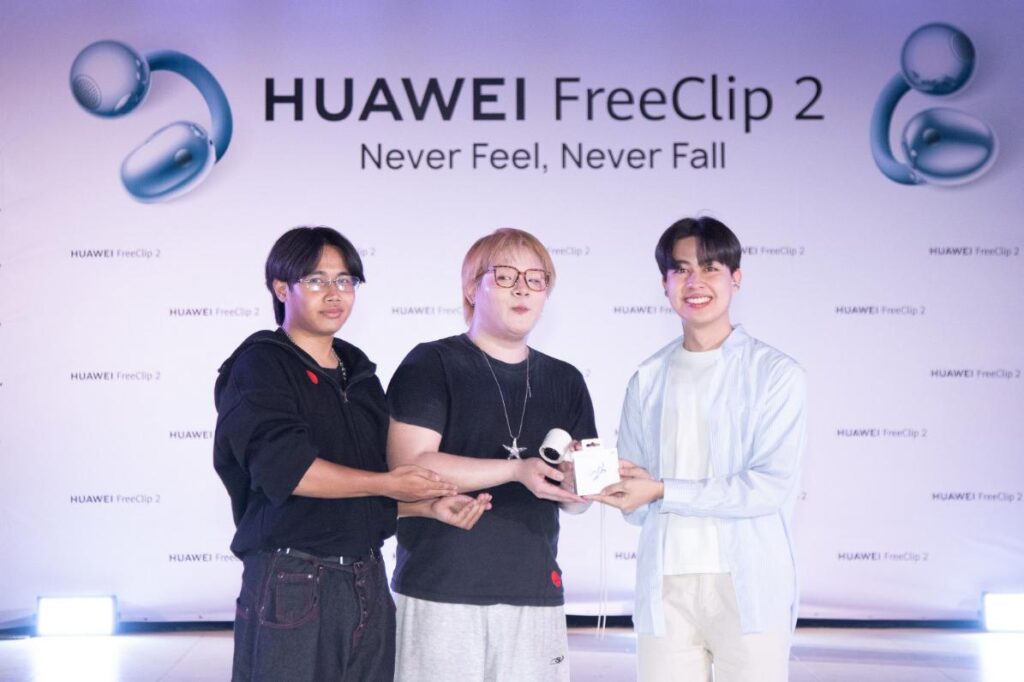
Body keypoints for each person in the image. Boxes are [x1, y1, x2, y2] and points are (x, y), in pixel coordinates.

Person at [213, 226, 490, 681]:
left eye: (345, 280)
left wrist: (426, 507)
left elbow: (360, 488)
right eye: (316, 280)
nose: (334, 293)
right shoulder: (261, 365)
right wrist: (388, 483)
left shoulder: (358, 373)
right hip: (293, 577)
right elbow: (291, 472)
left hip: (366, 578)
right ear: (281, 289)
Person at [591, 217, 807, 682]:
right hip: (665, 583)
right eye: (681, 269)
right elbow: (636, 503)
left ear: (736, 277)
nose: (695, 282)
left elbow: (768, 487)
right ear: (665, 283)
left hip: (748, 582)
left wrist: (662, 490)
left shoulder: (775, 374)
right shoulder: (647, 378)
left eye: (710, 268)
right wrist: (600, 480)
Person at [386, 227, 597, 681]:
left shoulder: (566, 380)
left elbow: (580, 498)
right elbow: (409, 467)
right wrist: (516, 470)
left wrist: (578, 484)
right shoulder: (432, 363)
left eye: (536, 279)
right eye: (505, 276)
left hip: (534, 593)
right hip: (440, 589)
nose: (522, 289)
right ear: (471, 288)